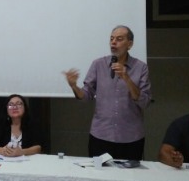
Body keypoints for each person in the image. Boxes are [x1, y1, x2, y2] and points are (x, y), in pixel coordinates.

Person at [63, 25, 152, 160]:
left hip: (130, 138)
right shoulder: (98, 64)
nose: (113, 42)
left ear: (130, 44)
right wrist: (74, 86)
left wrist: (126, 78)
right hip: (101, 136)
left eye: (119, 39)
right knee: (99, 172)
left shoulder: (140, 68)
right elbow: (86, 95)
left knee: (131, 173)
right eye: (111, 39)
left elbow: (145, 102)